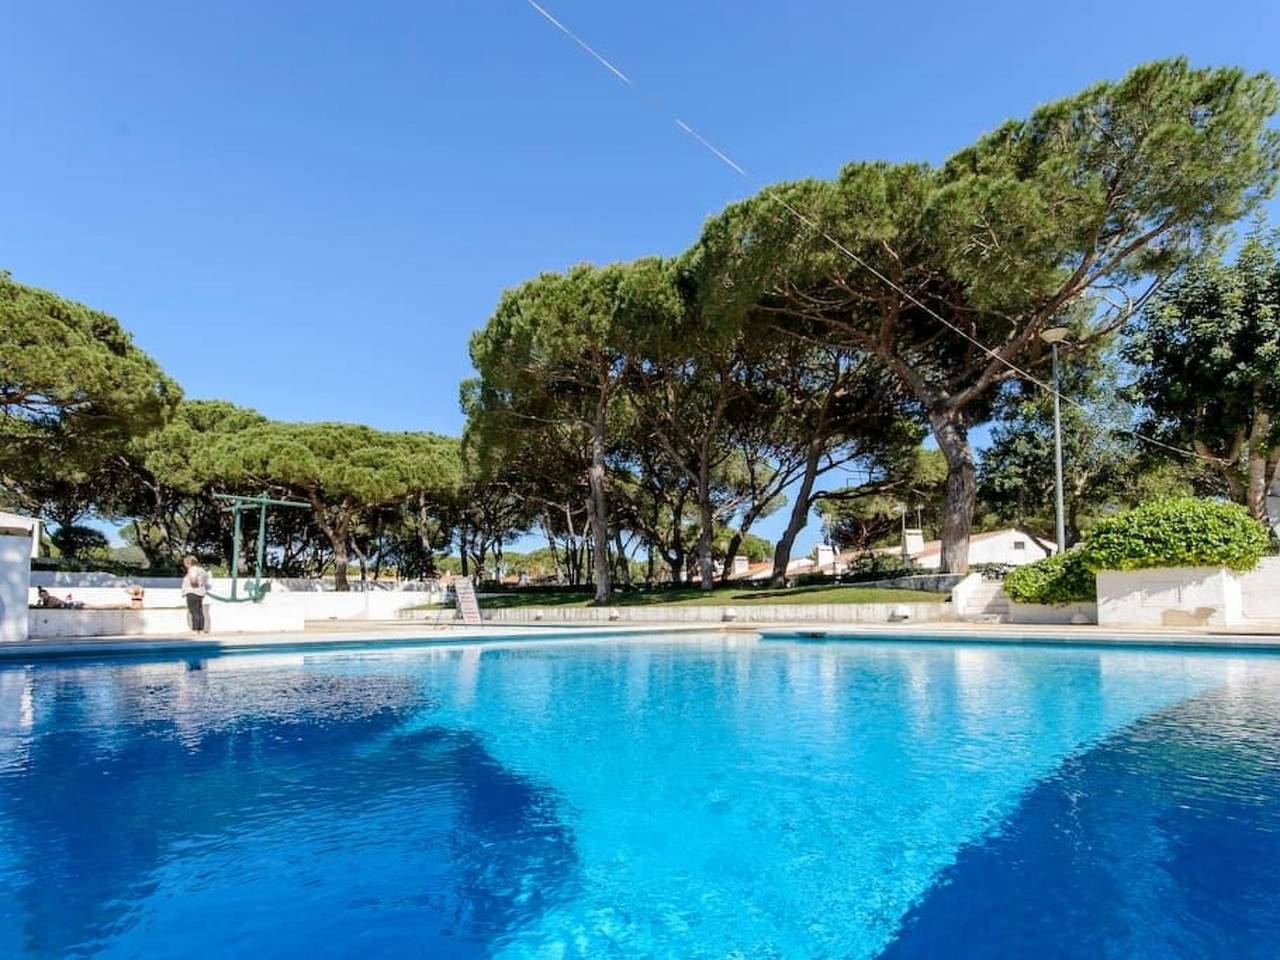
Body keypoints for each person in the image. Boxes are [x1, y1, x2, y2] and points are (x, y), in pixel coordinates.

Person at [181, 555, 211, 633]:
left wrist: (193, 583)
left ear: (188, 563)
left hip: (192, 592)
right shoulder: (201, 570)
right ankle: (201, 628)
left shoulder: (192, 570)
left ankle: (195, 629)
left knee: (193, 611)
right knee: (199, 611)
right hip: (200, 593)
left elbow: (193, 580)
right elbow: (205, 580)